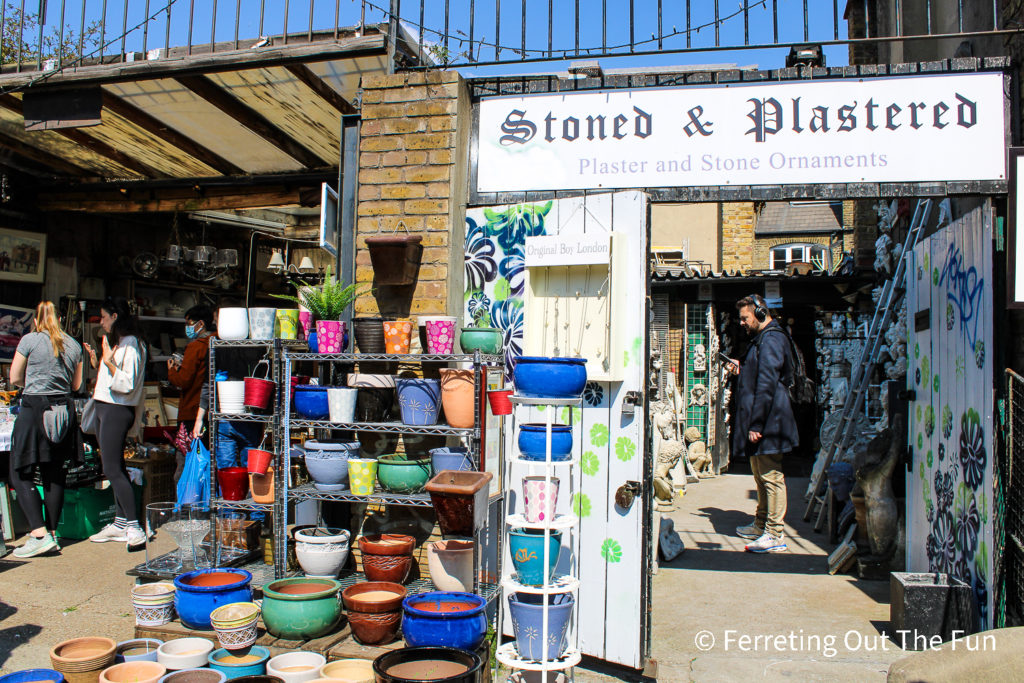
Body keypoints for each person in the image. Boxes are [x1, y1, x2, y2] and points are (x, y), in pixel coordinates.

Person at [7, 301, 83, 558]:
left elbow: (15, 378)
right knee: (54, 475)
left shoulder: (30, 340)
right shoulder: (73, 344)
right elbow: (76, 385)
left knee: (20, 471)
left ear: (35, 320)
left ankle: (39, 533)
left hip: (34, 408)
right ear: (60, 319)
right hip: (63, 412)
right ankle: (51, 533)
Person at [728, 294, 798, 553]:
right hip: (762, 420)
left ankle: (775, 533)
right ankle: (760, 524)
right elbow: (759, 373)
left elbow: (768, 382)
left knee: (771, 477)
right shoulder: (761, 340)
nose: (742, 323)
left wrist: (757, 424)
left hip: (770, 421)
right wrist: (742, 368)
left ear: (759, 314)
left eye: (745, 318)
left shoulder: (772, 339)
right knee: (760, 476)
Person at [83, 297, 148, 549]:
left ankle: (134, 526)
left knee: (112, 469)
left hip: (115, 409)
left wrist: (108, 360)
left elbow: (126, 382)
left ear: (115, 317)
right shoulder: (125, 342)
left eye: (103, 316)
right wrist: (99, 360)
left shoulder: (131, 343)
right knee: (113, 465)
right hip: (106, 407)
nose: (101, 322)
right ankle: (121, 522)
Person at [167, 304, 214, 481]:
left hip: (192, 412)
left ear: (200, 324)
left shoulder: (196, 347)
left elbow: (184, 380)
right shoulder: (217, 342)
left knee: (186, 460)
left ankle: (184, 503)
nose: (188, 327)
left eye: (190, 323)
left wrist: (172, 371)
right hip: (211, 411)